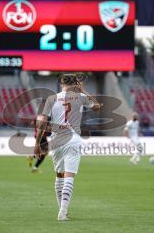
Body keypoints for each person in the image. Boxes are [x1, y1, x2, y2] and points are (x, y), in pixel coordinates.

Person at [34, 74, 101, 220]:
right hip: (73, 139)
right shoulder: (80, 97)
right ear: (75, 83)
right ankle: (63, 212)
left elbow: (42, 124)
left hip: (56, 140)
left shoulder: (51, 99)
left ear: (61, 84)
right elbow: (97, 107)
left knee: (59, 176)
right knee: (69, 176)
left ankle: (62, 210)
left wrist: (37, 144)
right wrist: (83, 91)